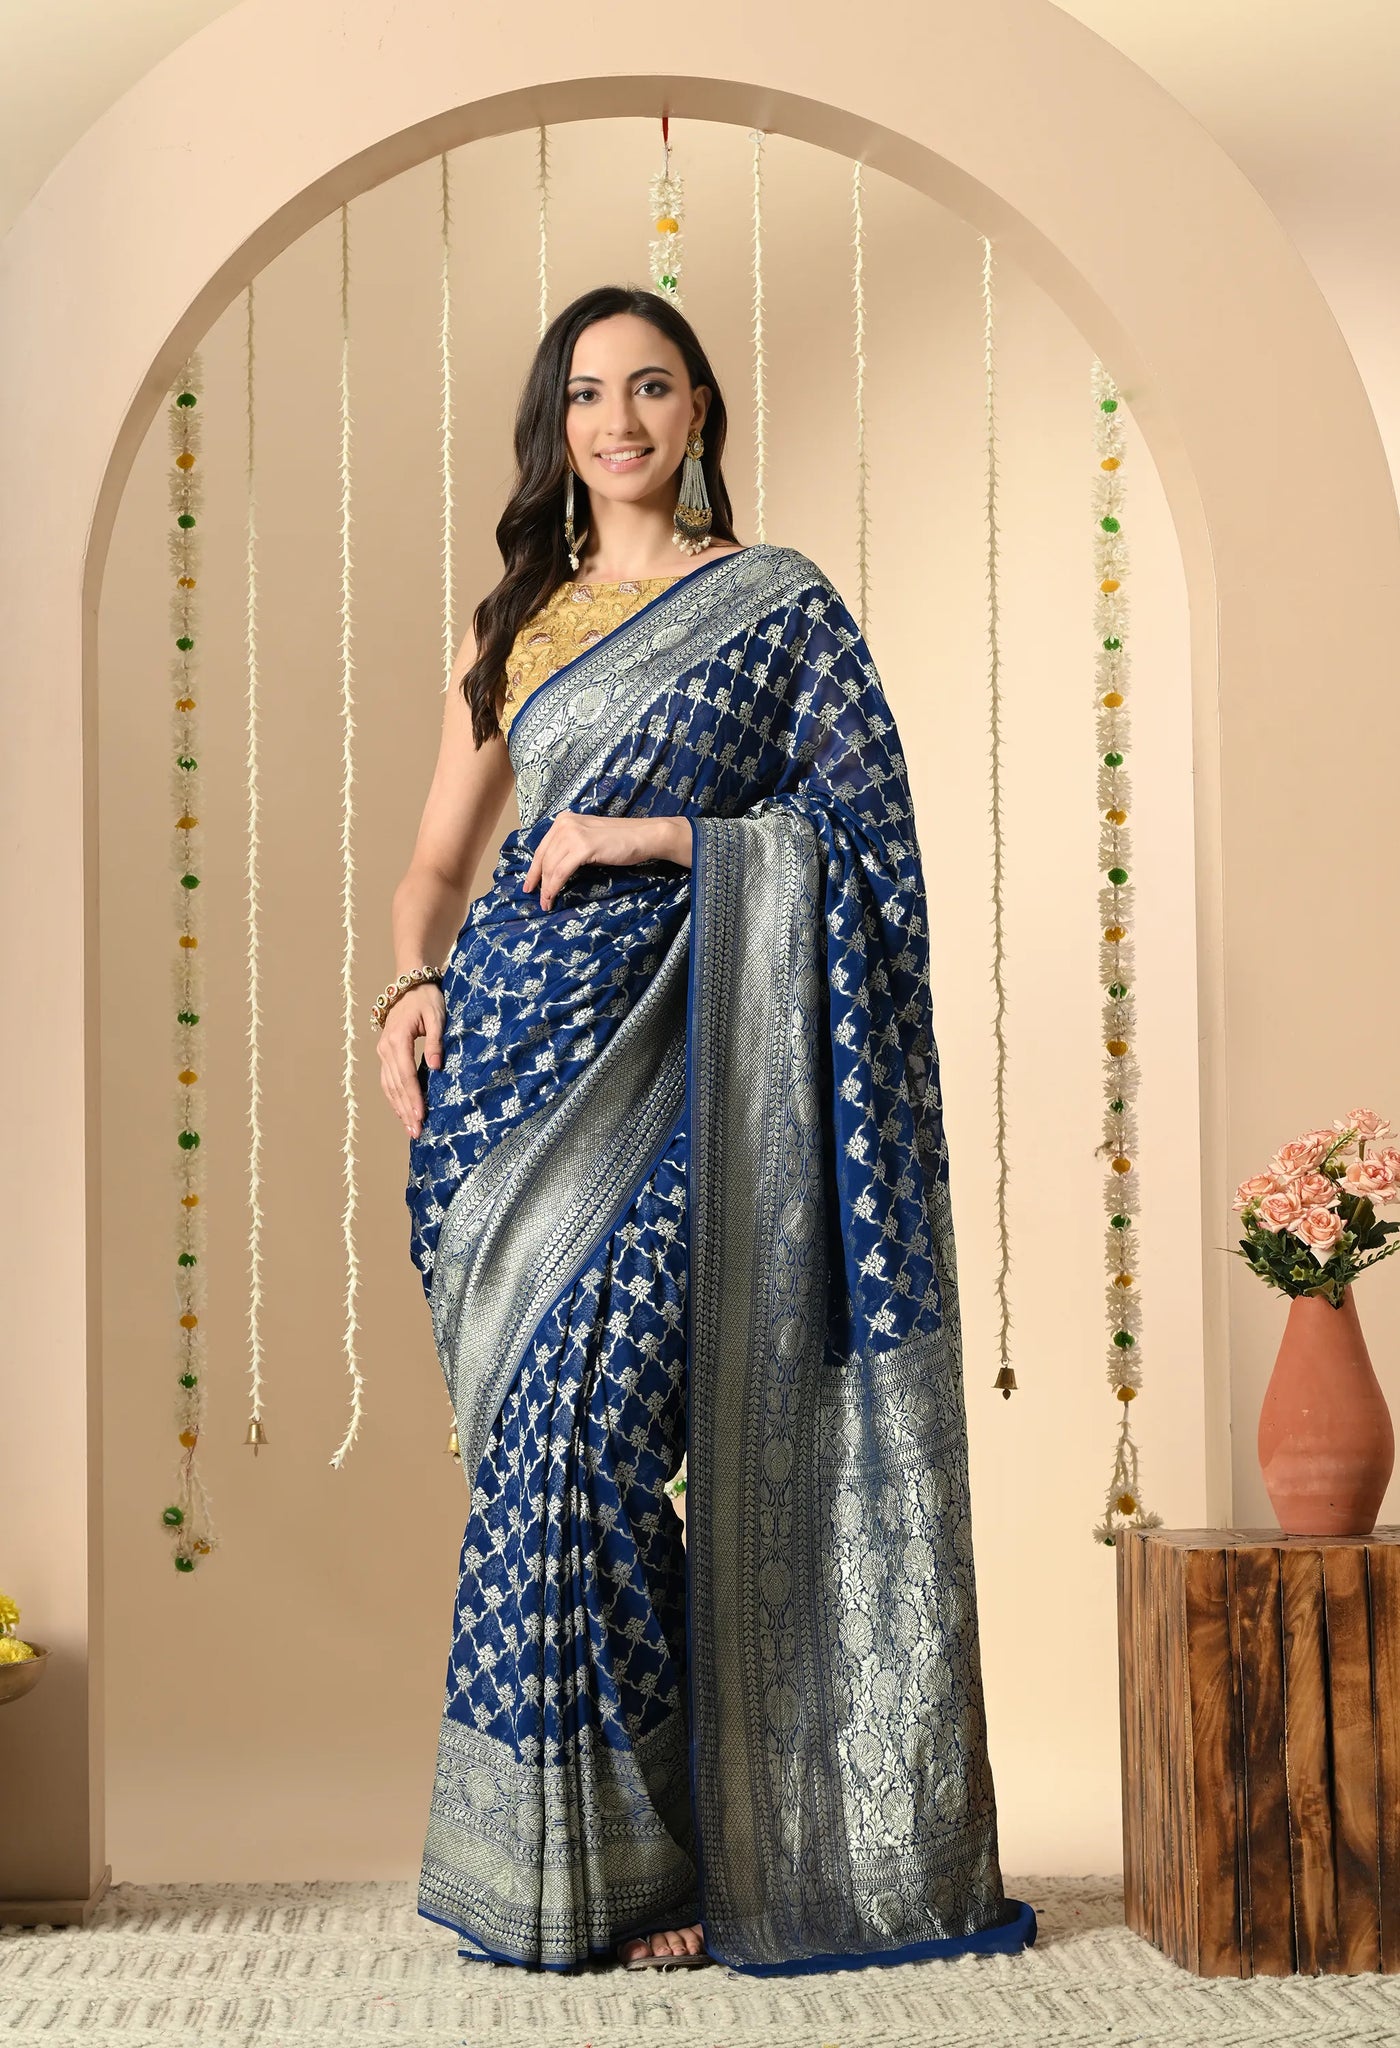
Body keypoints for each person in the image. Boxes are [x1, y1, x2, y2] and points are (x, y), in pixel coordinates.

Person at [376, 282, 1037, 1977]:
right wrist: (407, 987)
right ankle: (609, 1866)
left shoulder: (778, 606)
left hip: (698, 1064)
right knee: (540, 1460)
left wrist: (658, 836)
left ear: (699, 413)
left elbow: (863, 841)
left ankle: (671, 1858)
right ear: (557, 426)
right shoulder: (513, 624)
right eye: (589, 394)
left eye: (652, 387)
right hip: (508, 1080)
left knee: (600, 1433)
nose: (620, 421)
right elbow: (435, 868)